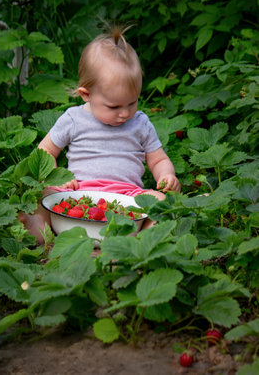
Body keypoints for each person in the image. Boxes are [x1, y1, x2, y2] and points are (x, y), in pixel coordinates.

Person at [19, 26, 181, 244]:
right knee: (47, 195)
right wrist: (58, 178)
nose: (125, 113)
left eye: (132, 103)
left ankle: (150, 234)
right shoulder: (74, 119)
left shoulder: (140, 122)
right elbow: (44, 152)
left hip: (127, 197)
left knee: (161, 201)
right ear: (87, 94)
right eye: (114, 106)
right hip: (77, 193)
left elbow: (158, 159)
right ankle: (37, 228)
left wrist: (166, 176)